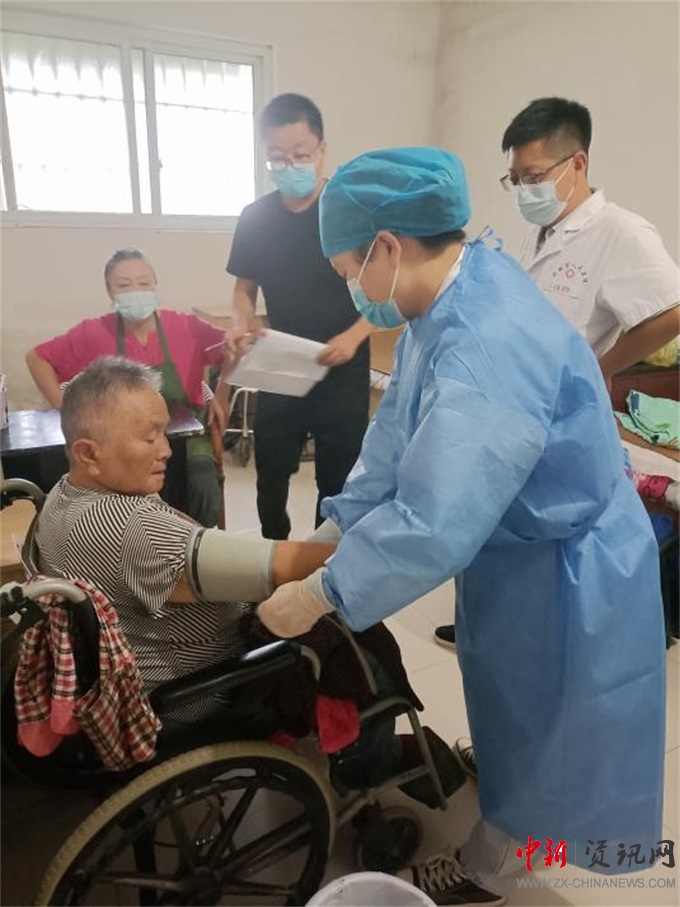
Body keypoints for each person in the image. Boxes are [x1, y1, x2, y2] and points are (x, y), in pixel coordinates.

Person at [256, 148, 666, 905]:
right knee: (508, 700)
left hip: (564, 565)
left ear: (386, 247)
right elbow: (398, 437)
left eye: (348, 269)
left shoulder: (486, 341)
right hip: (514, 548)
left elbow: (436, 519)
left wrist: (326, 589)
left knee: (548, 726)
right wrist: (340, 527)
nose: (353, 287)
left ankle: (497, 868)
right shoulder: (448, 294)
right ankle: (509, 790)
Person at [34, 356, 465, 798]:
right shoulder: (134, 529)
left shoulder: (61, 499)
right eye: (149, 437)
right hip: (201, 692)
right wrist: (393, 544)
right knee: (361, 653)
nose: (166, 449)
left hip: (136, 665)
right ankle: (372, 762)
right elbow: (275, 567)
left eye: (163, 432)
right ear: (89, 453)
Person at [434, 96, 680, 652]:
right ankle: (488, 627)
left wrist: (601, 365)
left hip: (565, 417)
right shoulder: (544, 230)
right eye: (515, 179)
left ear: (578, 163)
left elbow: (670, 312)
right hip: (521, 406)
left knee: (541, 541)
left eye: (534, 177)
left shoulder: (621, 232)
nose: (525, 190)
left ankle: (529, 641)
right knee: (502, 526)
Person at [226, 93, 374, 540]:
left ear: (322, 150)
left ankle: (322, 566)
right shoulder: (255, 218)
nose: (290, 166)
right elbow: (244, 287)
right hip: (282, 362)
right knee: (271, 474)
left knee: (337, 480)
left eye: (301, 154)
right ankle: (273, 557)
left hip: (343, 365)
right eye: (278, 157)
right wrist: (242, 322)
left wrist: (353, 336)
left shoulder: (352, 211)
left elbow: (381, 288)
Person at [26, 248, 235, 529]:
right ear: (110, 291)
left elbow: (232, 349)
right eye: (124, 285)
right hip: (124, 440)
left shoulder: (185, 326)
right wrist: (63, 409)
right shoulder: (94, 333)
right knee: (122, 495)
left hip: (186, 434)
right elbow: (37, 358)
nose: (136, 291)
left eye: (144, 282)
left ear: (155, 283)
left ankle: (199, 541)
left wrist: (222, 394)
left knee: (201, 479)